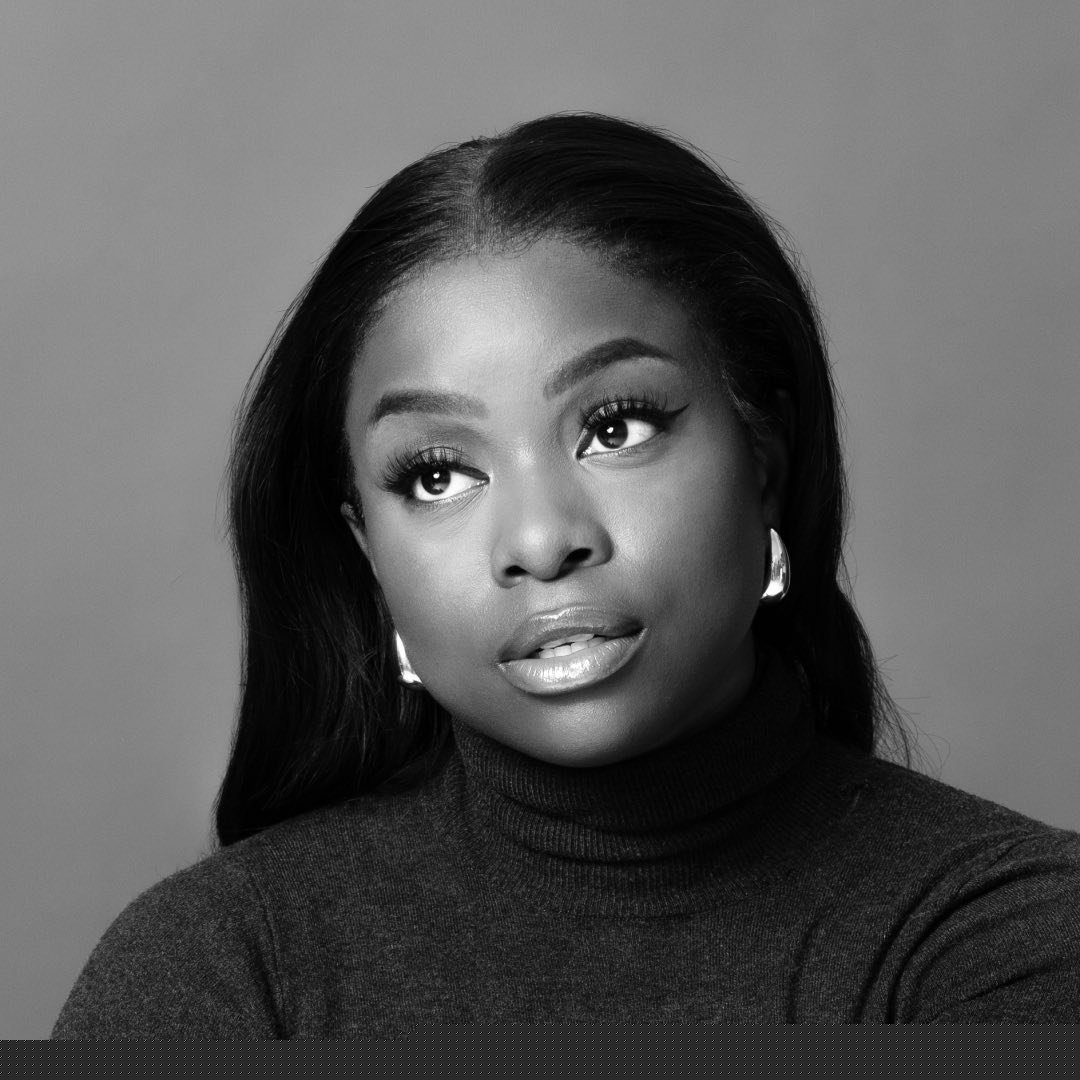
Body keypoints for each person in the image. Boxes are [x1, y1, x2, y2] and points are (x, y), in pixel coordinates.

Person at [54, 113, 1080, 1034]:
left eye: (616, 426)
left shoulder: (1005, 939)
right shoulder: (219, 969)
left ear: (763, 454)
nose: (543, 541)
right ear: (368, 551)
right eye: (437, 474)